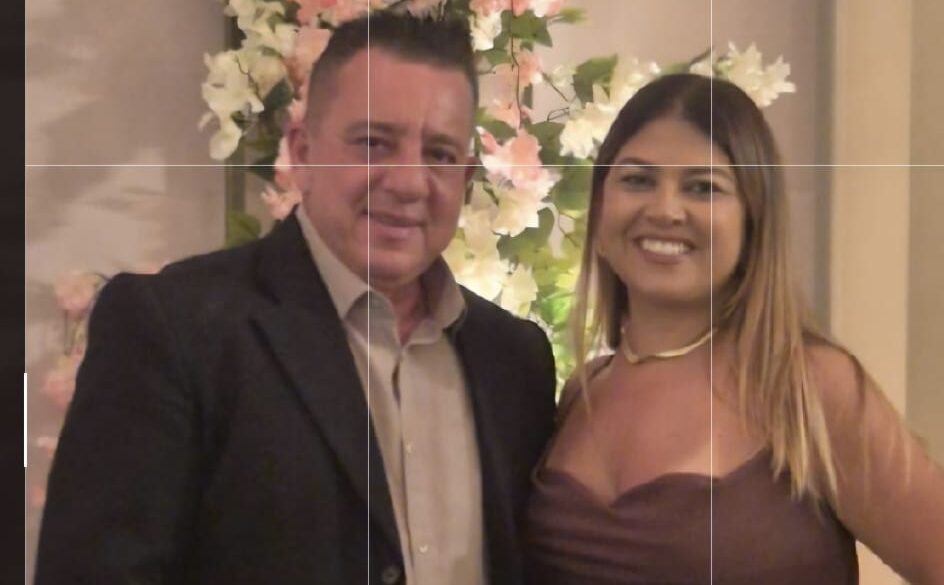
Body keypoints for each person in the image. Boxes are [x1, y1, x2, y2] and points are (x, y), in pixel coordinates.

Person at [35, 11, 556, 585]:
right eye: (374, 143)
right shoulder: (174, 328)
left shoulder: (515, 359)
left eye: (440, 154)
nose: (410, 183)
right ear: (302, 152)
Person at [521, 73, 944, 585]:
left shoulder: (807, 387)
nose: (665, 209)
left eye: (703, 187)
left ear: (754, 222)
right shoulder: (583, 393)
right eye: (637, 180)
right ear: (599, 209)